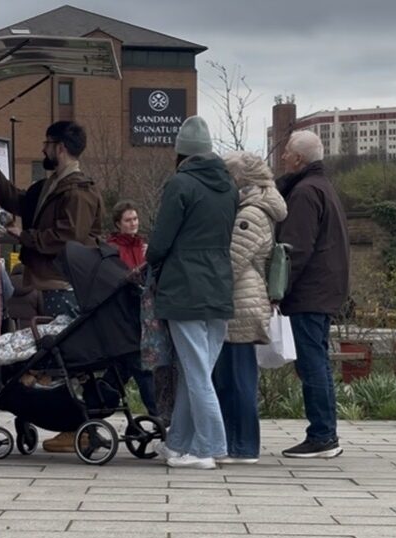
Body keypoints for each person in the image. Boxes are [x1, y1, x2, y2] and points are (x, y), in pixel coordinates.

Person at [0, 120, 105, 452]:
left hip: (63, 284)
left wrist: (25, 236)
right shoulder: (53, 185)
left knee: (63, 358)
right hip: (52, 281)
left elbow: (69, 238)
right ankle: (74, 426)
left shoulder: (77, 192)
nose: (43, 149)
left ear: (60, 148)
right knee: (57, 356)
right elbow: (21, 201)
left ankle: (76, 428)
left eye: (47, 144)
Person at [148, 115, 238, 470]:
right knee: (194, 370)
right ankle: (180, 442)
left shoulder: (180, 184)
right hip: (219, 286)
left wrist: (151, 261)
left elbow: (160, 242)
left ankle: (209, 447)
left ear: (181, 153)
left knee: (197, 372)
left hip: (184, 286)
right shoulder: (231, 187)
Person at [275, 130, 350, 459]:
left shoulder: (304, 193)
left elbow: (296, 249)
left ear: (299, 159)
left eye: (287, 152)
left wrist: (279, 289)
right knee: (317, 361)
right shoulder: (324, 188)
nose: (283, 157)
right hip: (324, 289)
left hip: (309, 293)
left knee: (312, 364)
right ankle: (326, 432)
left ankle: (321, 434)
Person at [212, 151, 287, 464]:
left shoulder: (250, 215)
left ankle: (242, 446)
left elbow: (231, 259)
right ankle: (235, 442)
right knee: (232, 376)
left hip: (241, 303)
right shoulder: (256, 208)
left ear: (240, 181)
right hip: (244, 300)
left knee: (238, 379)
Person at [106, 201, 158, 417]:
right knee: (137, 366)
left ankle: (99, 401)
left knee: (123, 367)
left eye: (135, 219)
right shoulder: (112, 248)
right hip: (124, 312)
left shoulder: (143, 245)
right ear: (118, 223)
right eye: (128, 220)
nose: (133, 223)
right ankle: (156, 412)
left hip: (142, 311)